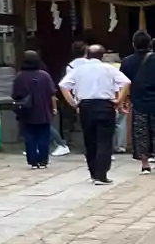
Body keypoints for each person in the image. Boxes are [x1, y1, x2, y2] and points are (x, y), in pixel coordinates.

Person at [59, 42, 128, 184]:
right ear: (102, 56)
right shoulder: (109, 68)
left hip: (86, 106)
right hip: (105, 105)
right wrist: (119, 101)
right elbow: (126, 82)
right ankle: (101, 175)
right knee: (104, 141)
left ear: (87, 55)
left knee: (89, 141)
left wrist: (73, 103)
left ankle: (93, 173)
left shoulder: (79, 70)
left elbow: (63, 85)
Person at [10, 50, 57, 170]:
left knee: (29, 137)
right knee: (43, 136)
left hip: (26, 111)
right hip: (43, 110)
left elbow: (15, 95)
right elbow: (52, 94)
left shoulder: (19, 76)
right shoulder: (44, 76)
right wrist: (54, 108)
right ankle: (43, 161)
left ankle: (33, 161)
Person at [123, 30, 155, 175]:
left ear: (133, 44)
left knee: (141, 132)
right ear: (149, 44)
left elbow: (124, 83)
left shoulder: (127, 62)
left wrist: (124, 100)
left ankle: (145, 163)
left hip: (138, 101)